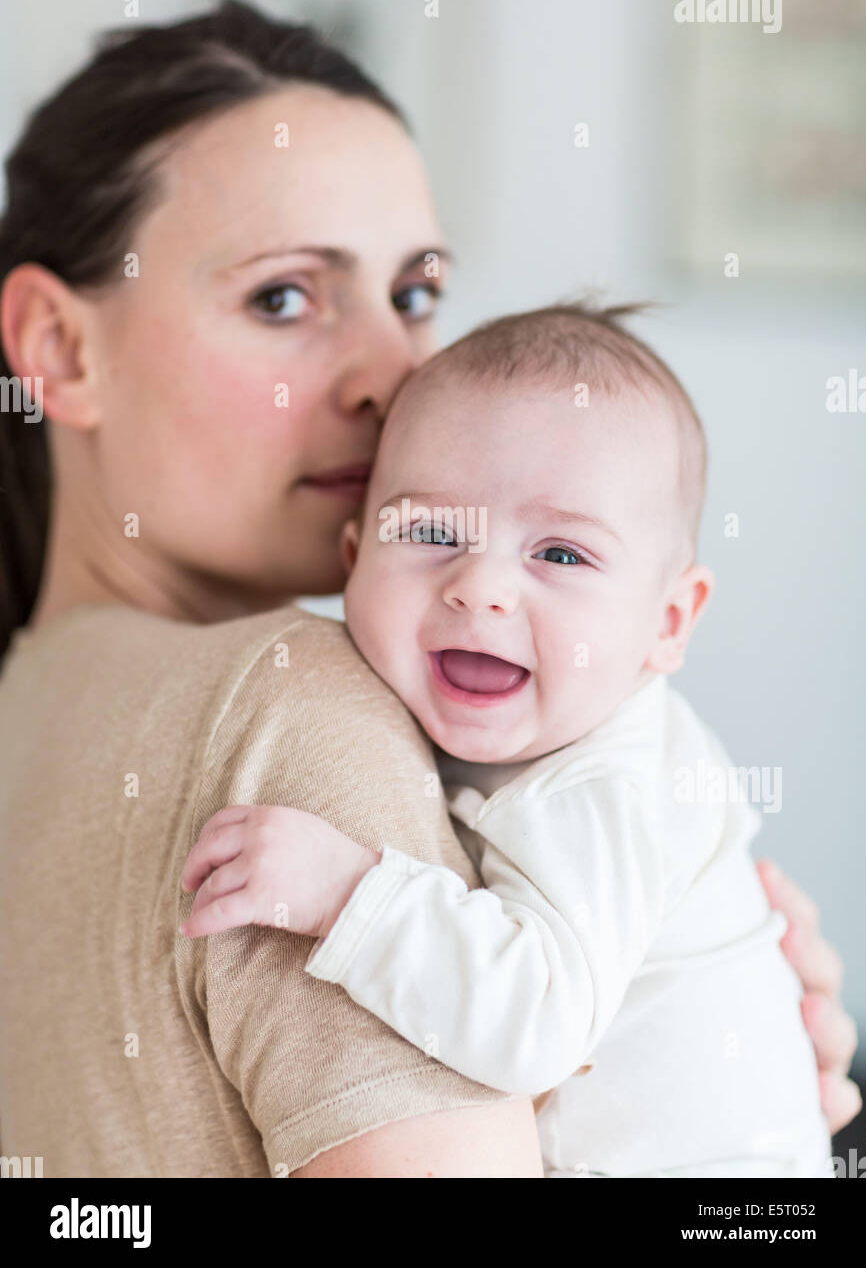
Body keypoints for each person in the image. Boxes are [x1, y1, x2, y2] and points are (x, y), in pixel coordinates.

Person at [0, 0, 857, 1179]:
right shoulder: (297, 709)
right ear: (58, 346)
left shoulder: (27, 697)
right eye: (285, 297)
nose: (395, 378)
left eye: (412, 295)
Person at [182, 303, 834, 1177]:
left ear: (668, 621)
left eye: (561, 555)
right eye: (429, 533)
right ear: (352, 561)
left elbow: (538, 1023)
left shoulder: (600, 788)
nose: (479, 585)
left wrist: (349, 893)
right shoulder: (506, 726)